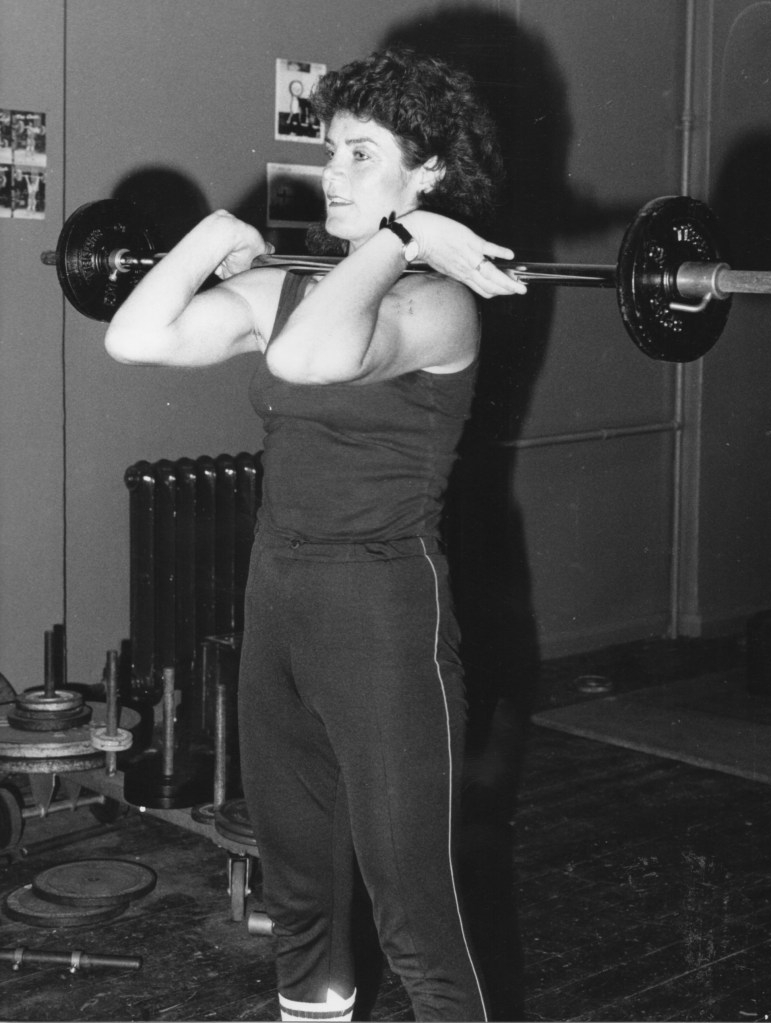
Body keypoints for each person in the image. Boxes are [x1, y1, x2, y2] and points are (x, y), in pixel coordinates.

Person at [105, 48, 526, 1022]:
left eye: (362, 156)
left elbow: (305, 357)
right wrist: (213, 233)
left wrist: (403, 238)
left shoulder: (439, 302)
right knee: (299, 893)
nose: (330, 176)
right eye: (328, 152)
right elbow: (137, 337)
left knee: (415, 910)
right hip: (277, 605)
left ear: (428, 175)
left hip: (382, 618)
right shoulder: (299, 283)